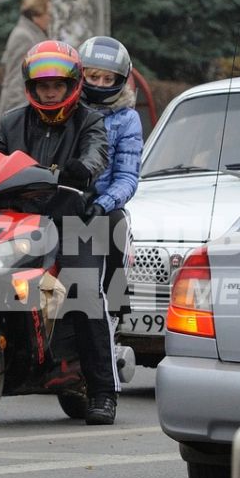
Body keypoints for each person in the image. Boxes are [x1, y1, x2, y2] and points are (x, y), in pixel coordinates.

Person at [0, 40, 115, 424]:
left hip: (73, 220)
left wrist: (84, 168)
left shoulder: (89, 121)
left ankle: (102, 391)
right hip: (20, 218)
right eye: (42, 85)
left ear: (72, 85)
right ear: (30, 87)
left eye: (57, 85)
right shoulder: (13, 121)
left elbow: (98, 153)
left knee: (83, 291)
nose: (49, 92)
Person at [77, 35, 143, 318]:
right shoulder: (66, 109)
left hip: (101, 202)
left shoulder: (127, 118)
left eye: (108, 79)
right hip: (63, 196)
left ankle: (112, 309)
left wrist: (102, 203)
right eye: (93, 77)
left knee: (114, 224)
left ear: (121, 79)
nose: (100, 85)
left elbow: (127, 177)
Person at [0, 0, 52, 116]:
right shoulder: (24, 36)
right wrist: (17, 116)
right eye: (48, 14)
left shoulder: (35, 34)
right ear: (36, 15)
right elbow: (16, 79)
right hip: (19, 106)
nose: (50, 18)